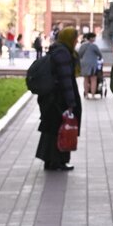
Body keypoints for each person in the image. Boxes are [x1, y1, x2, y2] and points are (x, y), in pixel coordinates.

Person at [35, 27, 80, 171]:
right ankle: (57, 161)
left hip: (51, 97)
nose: (76, 41)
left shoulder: (57, 49)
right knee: (60, 129)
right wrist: (71, 102)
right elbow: (66, 80)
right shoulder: (63, 53)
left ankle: (50, 160)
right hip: (59, 98)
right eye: (75, 38)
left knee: (52, 129)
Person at [77, 32, 103, 97]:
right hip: (92, 64)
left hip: (84, 64)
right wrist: (99, 58)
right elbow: (99, 55)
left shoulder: (82, 45)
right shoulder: (94, 46)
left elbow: (79, 54)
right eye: (94, 37)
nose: (95, 39)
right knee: (93, 79)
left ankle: (86, 94)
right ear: (91, 38)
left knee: (86, 79)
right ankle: (93, 95)